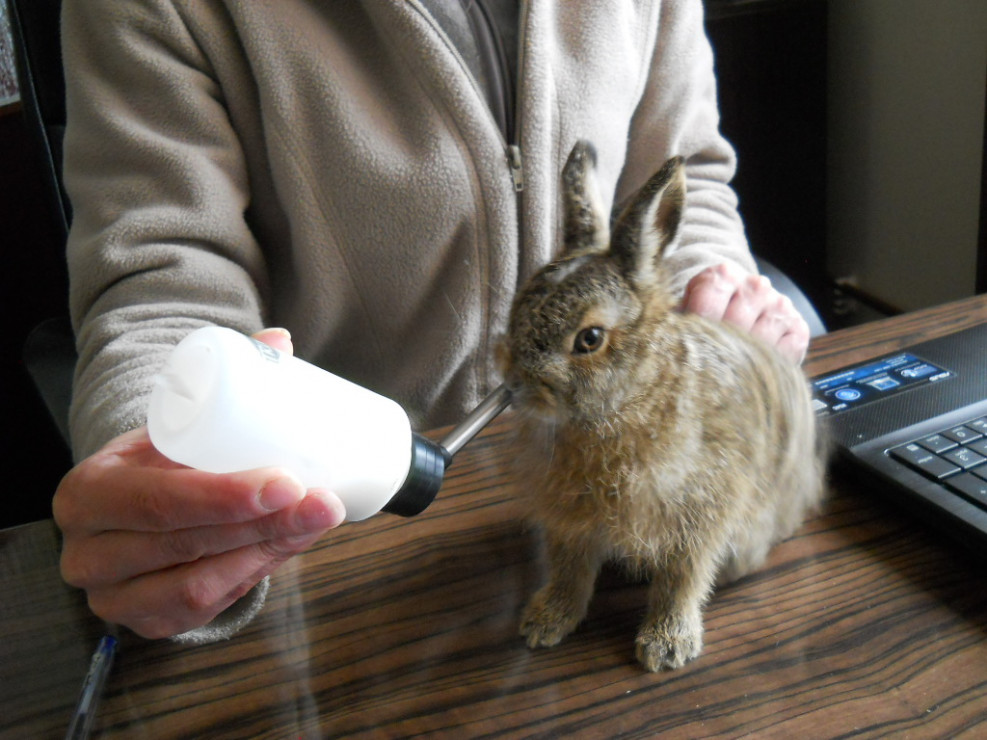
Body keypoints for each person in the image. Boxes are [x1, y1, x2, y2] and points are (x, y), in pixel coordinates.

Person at [53, 0, 810, 643]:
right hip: (336, 532)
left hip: (605, 447)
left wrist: (714, 285)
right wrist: (169, 476)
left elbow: (686, 173)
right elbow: (160, 275)